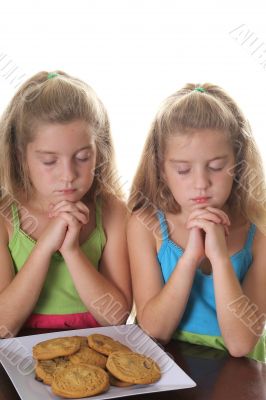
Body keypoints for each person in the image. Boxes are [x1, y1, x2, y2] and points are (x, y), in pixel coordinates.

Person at [127, 83, 266, 362]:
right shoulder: (145, 225)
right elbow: (155, 330)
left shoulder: (259, 230)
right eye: (183, 170)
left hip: (239, 376)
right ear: (161, 168)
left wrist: (220, 258)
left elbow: (240, 344)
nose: (201, 184)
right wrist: (190, 257)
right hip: (167, 367)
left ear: (237, 163)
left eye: (216, 167)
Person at [0, 70, 132, 336]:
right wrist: (44, 248)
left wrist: (72, 252)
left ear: (99, 151)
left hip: (95, 349)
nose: (68, 175)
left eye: (83, 157)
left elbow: (116, 316)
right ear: (20, 155)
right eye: (49, 161)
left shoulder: (112, 211)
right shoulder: (5, 216)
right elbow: (4, 326)